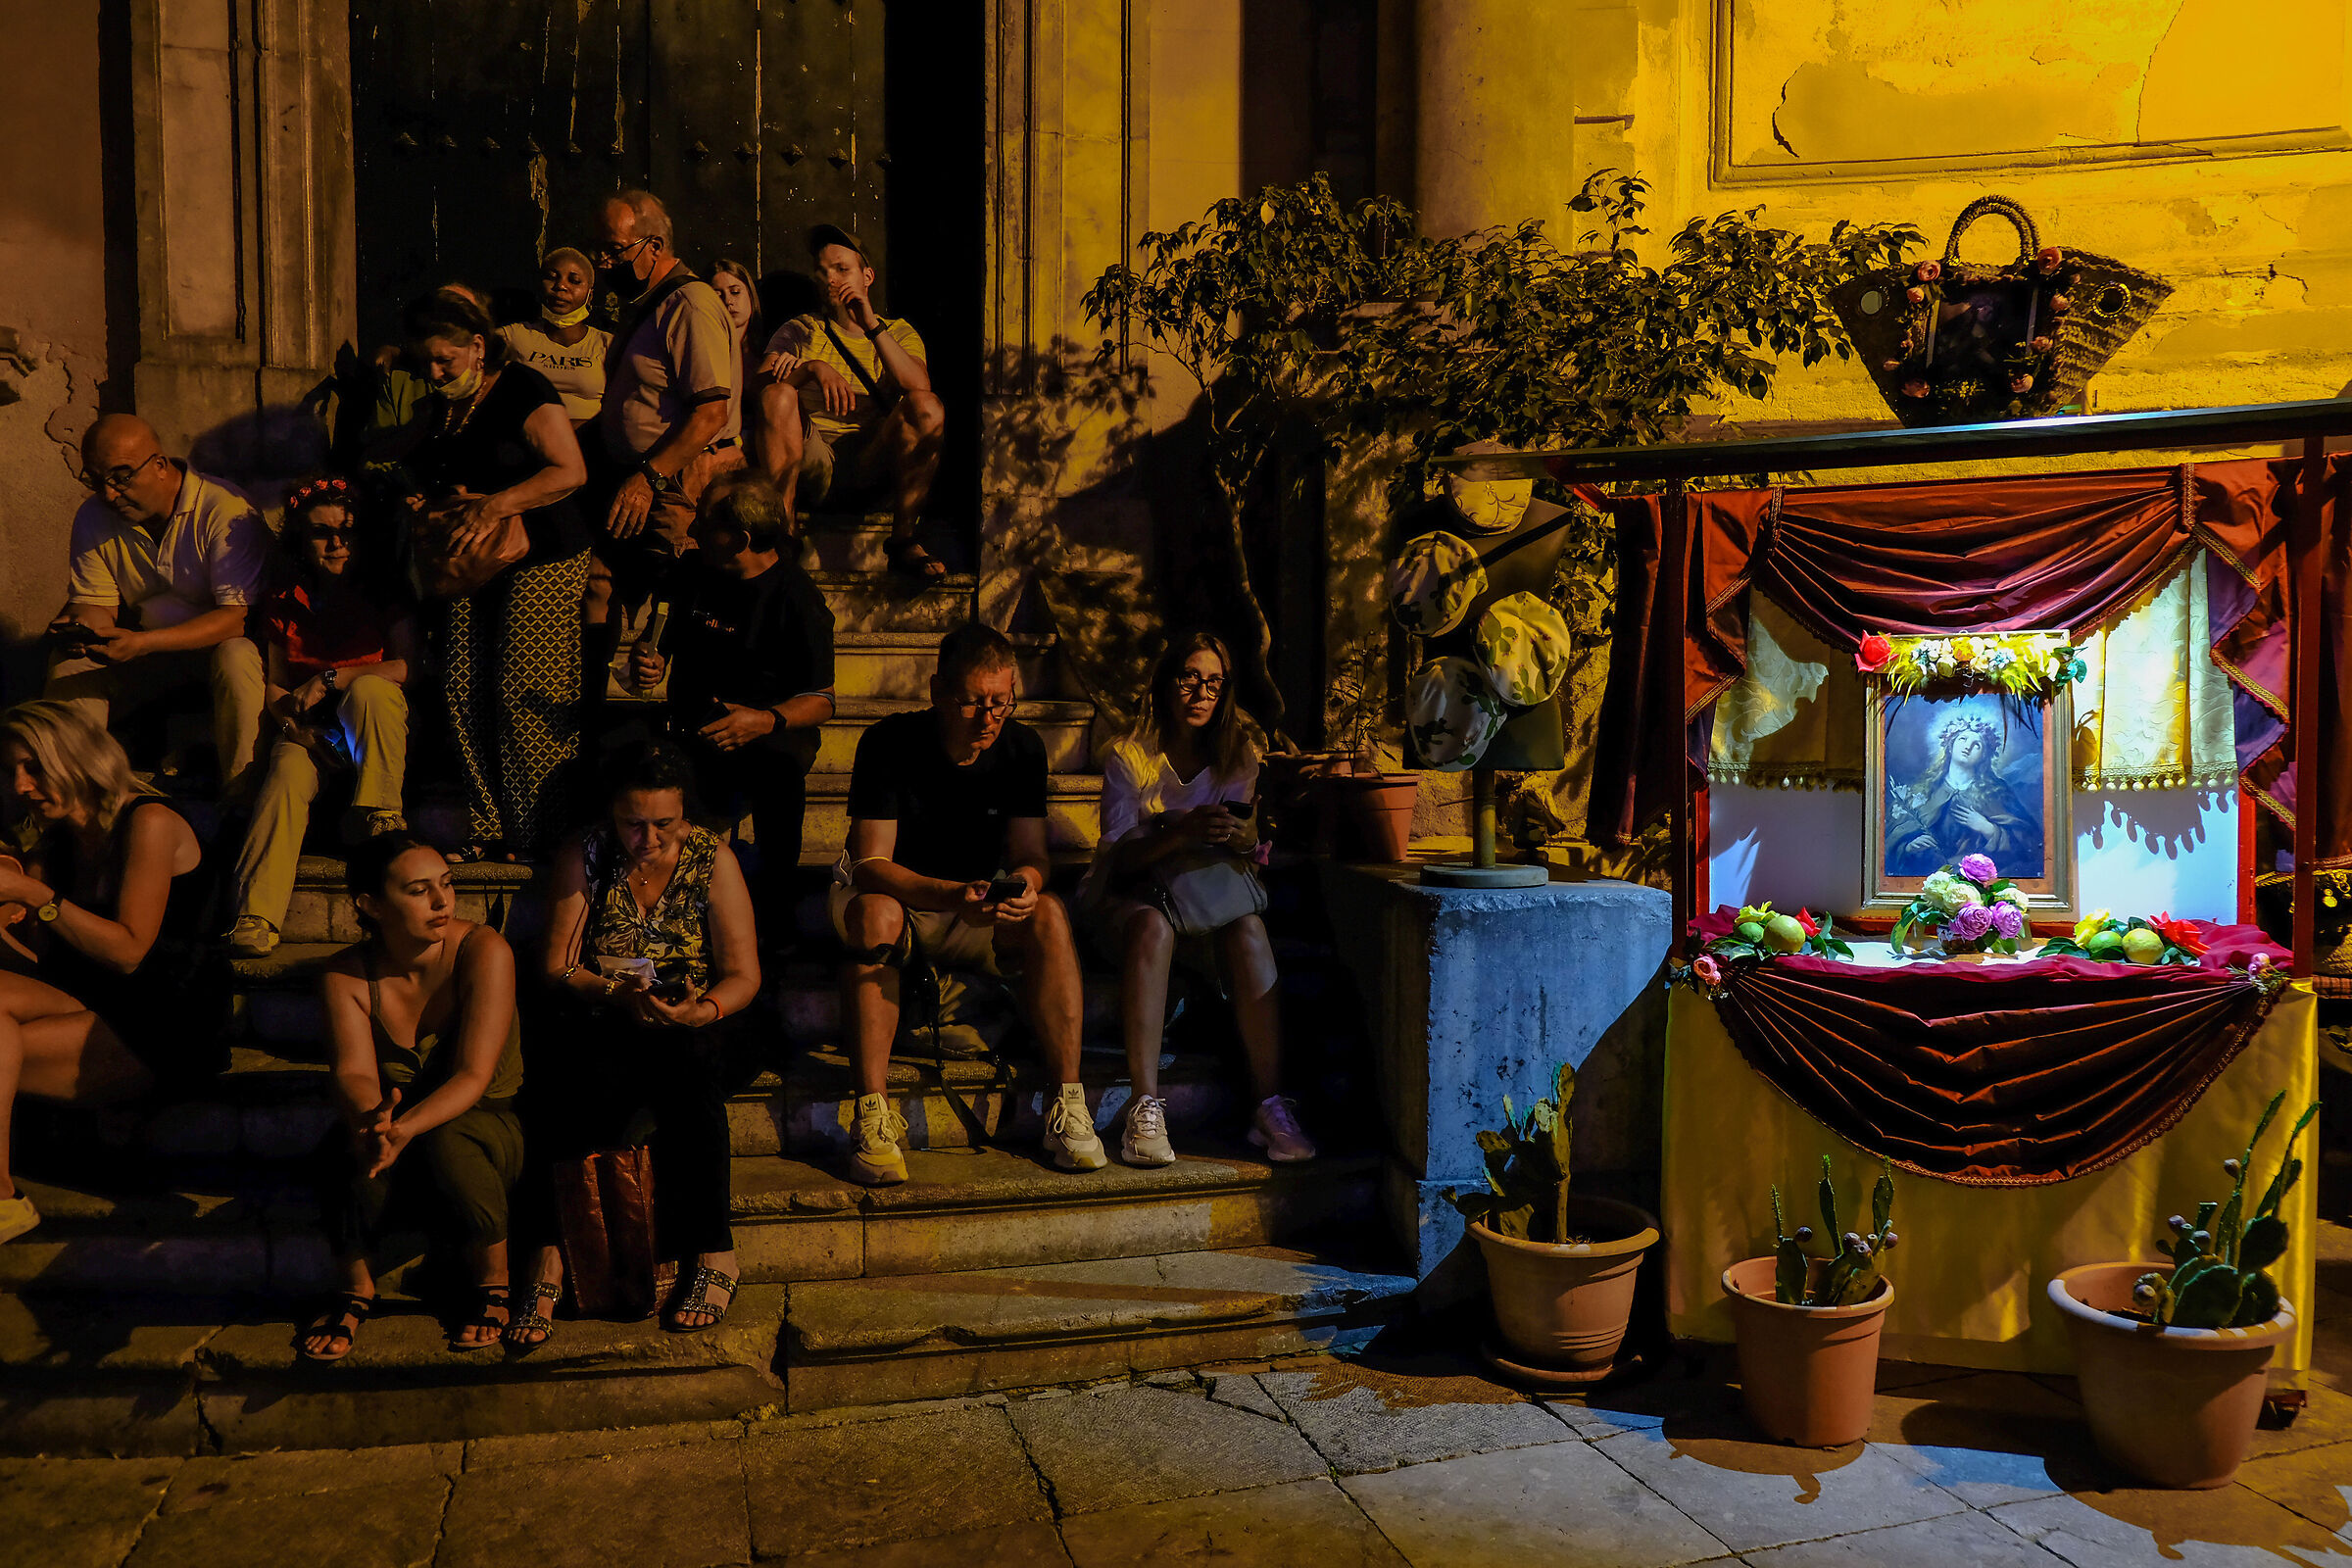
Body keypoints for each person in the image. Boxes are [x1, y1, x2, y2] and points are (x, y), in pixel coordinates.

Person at [831, 622, 1104, 1186]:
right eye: (972, 702)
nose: (988, 718)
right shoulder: (888, 743)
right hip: (905, 899)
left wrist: (1024, 884)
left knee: (1050, 911)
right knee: (874, 912)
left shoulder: (1022, 748)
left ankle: (1067, 1103)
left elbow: (1032, 855)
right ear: (937, 691)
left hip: (977, 904)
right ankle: (872, 1112)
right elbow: (870, 863)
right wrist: (951, 896)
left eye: (1001, 703)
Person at [518, 746, 763, 1343]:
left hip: (701, 1014)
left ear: (684, 815)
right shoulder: (588, 853)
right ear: (613, 813)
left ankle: (715, 1252)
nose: (648, 838)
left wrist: (699, 1011)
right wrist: (616, 992)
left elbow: (743, 975)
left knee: (690, 1069)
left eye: (663, 824)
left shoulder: (711, 858)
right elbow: (558, 965)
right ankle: (550, 1257)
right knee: (566, 1076)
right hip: (611, 1011)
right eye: (633, 823)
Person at [1081, 632, 1314, 1167]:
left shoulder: (1237, 758)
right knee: (1153, 926)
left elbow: (1242, 855)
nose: (1201, 693)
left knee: (1249, 927)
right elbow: (1120, 864)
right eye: (1190, 678)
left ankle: (1269, 1106)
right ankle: (1144, 1105)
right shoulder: (1130, 756)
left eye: (1213, 683)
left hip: (1203, 903)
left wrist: (1243, 840)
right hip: (1131, 901)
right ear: (1166, 683)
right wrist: (1180, 833)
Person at [0, 703, 229, 1246]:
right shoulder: (55, 845)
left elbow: (128, 951)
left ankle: (2, 1198)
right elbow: (41, 965)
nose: (21, 785)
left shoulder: (150, 822)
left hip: (162, 1024)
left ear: (77, 757)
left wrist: (35, 895)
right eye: (11, 771)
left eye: (34, 766)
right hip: (91, 1004)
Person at [299, 833, 526, 1361]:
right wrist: (375, 1121)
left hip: (485, 1122)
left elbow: (472, 1075)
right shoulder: (345, 975)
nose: (443, 901)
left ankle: (494, 1282)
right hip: (402, 1127)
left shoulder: (484, 949)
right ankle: (355, 1289)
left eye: (446, 884)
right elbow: (354, 1071)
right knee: (346, 1143)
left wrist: (406, 1128)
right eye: (419, 891)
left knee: (450, 1141)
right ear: (371, 905)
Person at [401, 288, 591, 860]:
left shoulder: (522, 389)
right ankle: (489, 824)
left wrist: (495, 505)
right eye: (426, 362)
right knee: (462, 687)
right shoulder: (442, 407)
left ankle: (539, 835)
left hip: (543, 554)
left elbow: (569, 470)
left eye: (446, 360)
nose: (435, 373)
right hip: (471, 561)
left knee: (525, 690)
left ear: (478, 347)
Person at [626, 471, 834, 926]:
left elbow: (822, 699)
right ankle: (630, 899)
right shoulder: (691, 572)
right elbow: (654, 644)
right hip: (690, 728)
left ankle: (775, 915)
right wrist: (648, 662)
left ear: (740, 539)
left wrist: (763, 720)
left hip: (766, 735)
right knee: (618, 748)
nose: (693, 529)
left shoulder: (797, 598)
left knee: (780, 774)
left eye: (704, 522)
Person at [225, 479, 416, 957]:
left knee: (371, 689)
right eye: (321, 532)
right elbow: (275, 682)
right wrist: (296, 730)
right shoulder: (285, 597)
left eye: (345, 531)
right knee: (287, 770)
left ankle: (381, 821)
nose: (335, 543)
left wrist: (333, 678)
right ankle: (257, 914)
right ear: (301, 538)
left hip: (374, 729)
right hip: (312, 730)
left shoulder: (385, 588)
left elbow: (410, 666)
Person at [44, 414, 270, 802]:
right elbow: (96, 603)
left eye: (120, 477)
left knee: (238, 656)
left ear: (160, 465)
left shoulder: (225, 509)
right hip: (146, 657)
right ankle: (73, 797)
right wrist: (83, 627)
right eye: (96, 481)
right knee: (70, 665)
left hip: (214, 652)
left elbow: (237, 619)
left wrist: (143, 644)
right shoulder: (94, 516)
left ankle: (240, 798)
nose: (109, 494)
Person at [584, 190, 745, 703]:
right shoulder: (648, 305)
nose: (602, 263)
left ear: (653, 246)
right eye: (599, 249)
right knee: (600, 583)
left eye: (614, 250)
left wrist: (648, 478)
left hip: (672, 483)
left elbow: (710, 411)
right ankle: (591, 705)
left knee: (679, 602)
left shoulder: (690, 305)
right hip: (633, 477)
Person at [756, 223, 946, 583]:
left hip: (871, 461)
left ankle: (903, 540)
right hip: (812, 461)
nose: (831, 278)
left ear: (867, 276)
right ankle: (785, 533)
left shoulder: (898, 331)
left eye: (842, 269)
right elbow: (759, 392)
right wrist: (812, 368)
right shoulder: (800, 329)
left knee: (927, 406)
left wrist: (871, 324)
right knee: (778, 394)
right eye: (823, 270)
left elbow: (920, 387)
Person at [1885, 711, 2043, 876]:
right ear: (1950, 745)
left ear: (1983, 756)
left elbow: (2030, 844)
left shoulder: (1997, 793)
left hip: (1979, 880)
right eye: (1963, 739)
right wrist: (1909, 848)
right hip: (1926, 879)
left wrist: (1989, 829)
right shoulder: (1923, 791)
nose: (1968, 747)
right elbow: (1889, 842)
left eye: (1977, 745)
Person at [498, 249, 611, 433]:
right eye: (552, 277)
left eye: (574, 281)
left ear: (590, 294)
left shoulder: (607, 344)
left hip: (588, 442)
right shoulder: (514, 336)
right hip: (528, 441)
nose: (561, 286)